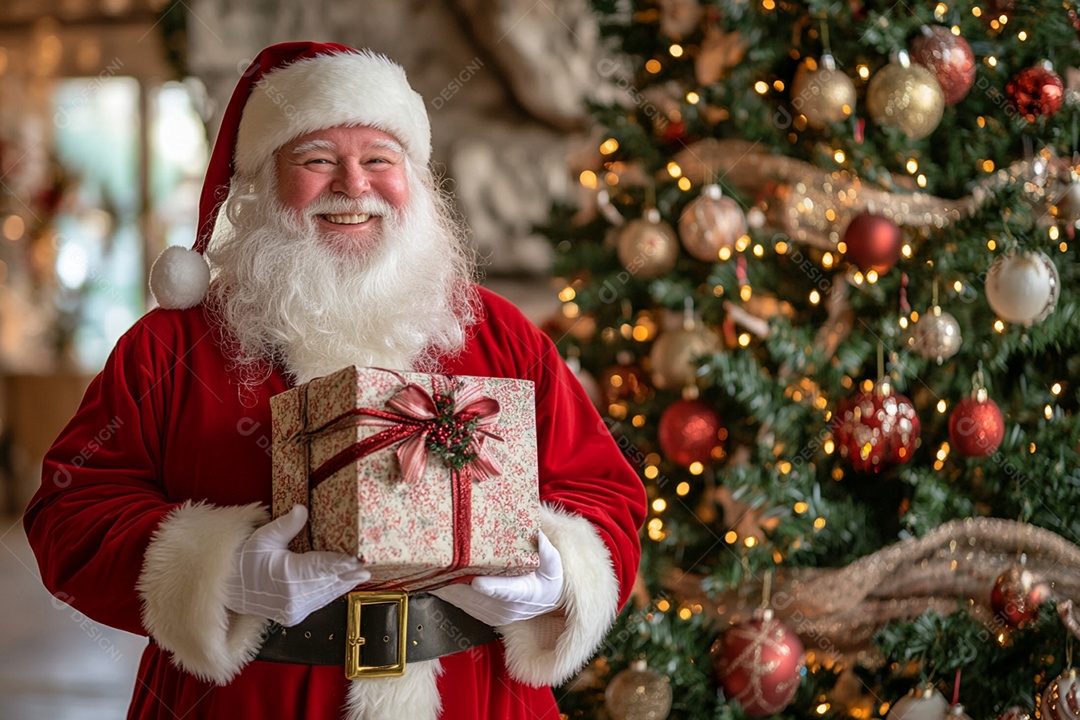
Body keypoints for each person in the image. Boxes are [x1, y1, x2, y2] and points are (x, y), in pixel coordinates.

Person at [23, 41, 646, 720]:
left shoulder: (498, 332)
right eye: (317, 160)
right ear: (263, 179)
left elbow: (602, 492)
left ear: (413, 178)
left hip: (476, 698)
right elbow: (68, 514)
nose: (354, 186)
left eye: (379, 159)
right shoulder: (170, 347)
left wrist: (554, 577)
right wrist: (221, 573)